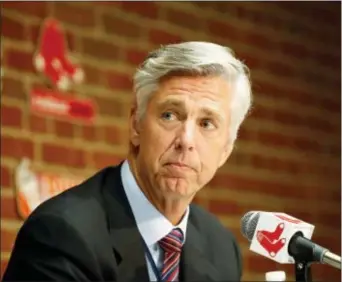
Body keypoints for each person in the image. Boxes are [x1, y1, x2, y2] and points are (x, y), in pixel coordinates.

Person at [2, 41, 252, 281]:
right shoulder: (62, 235)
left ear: (226, 150)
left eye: (207, 123)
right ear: (135, 125)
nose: (186, 140)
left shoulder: (222, 248)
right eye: (170, 115)